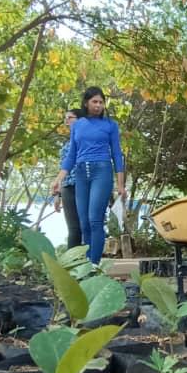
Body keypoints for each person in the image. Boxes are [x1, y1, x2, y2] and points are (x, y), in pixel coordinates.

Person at [52, 87, 125, 264]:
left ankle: (94, 265)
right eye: (95, 102)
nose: (98, 105)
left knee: (94, 220)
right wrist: (58, 179)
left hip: (102, 171)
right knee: (84, 224)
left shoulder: (110, 125)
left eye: (101, 102)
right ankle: (85, 265)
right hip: (81, 174)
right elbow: (71, 156)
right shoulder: (77, 126)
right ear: (86, 103)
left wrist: (121, 184)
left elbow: (117, 154)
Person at [54, 108, 85, 249]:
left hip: (85, 187)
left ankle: (91, 264)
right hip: (68, 188)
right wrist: (57, 195)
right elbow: (62, 171)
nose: (66, 121)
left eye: (70, 117)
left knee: (88, 226)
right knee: (73, 229)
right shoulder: (67, 145)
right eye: (65, 118)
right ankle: (72, 266)